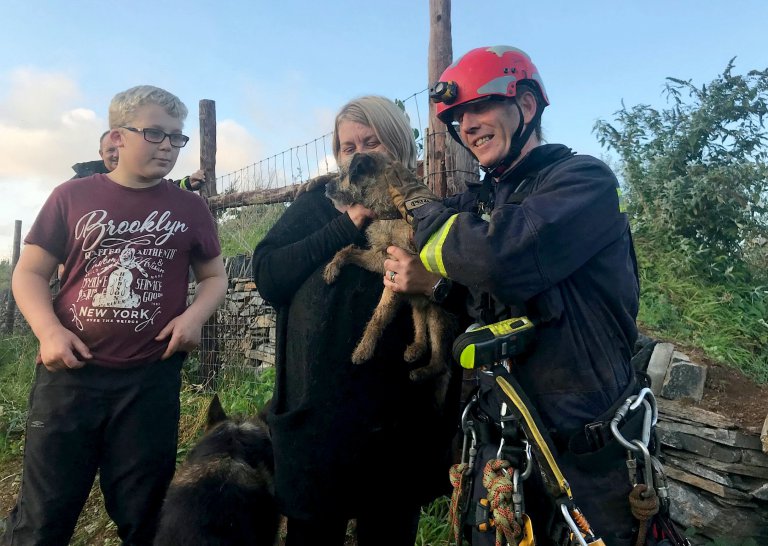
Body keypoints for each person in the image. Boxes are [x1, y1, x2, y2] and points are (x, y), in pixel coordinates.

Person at [386, 46, 642, 545]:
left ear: (525, 105)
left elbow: (498, 260)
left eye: (479, 108)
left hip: (580, 450)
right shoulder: (485, 201)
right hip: (502, 446)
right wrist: (437, 285)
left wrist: (423, 211)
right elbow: (504, 311)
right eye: (459, 117)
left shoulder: (582, 182)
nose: (467, 125)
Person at [3, 85, 228, 546]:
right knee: (43, 517)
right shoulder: (72, 196)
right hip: (68, 376)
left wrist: (194, 319)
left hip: (150, 381)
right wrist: (48, 332)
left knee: (143, 514)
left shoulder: (189, 207)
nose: (167, 145)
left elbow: (215, 278)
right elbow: (28, 273)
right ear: (117, 137)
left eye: (176, 137)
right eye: (154, 133)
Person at [251, 95, 461, 546]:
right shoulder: (316, 206)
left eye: (372, 141)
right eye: (348, 146)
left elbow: (459, 298)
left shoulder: (426, 212)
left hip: (397, 420)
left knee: (388, 531)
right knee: (312, 533)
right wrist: (346, 225)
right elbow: (269, 276)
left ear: (401, 146)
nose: (360, 153)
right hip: (319, 418)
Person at [71, 130, 207, 191]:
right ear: (101, 154)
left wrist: (188, 183)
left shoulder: (141, 175)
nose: (117, 155)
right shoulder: (81, 180)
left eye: (121, 148)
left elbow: (165, 188)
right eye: (110, 150)